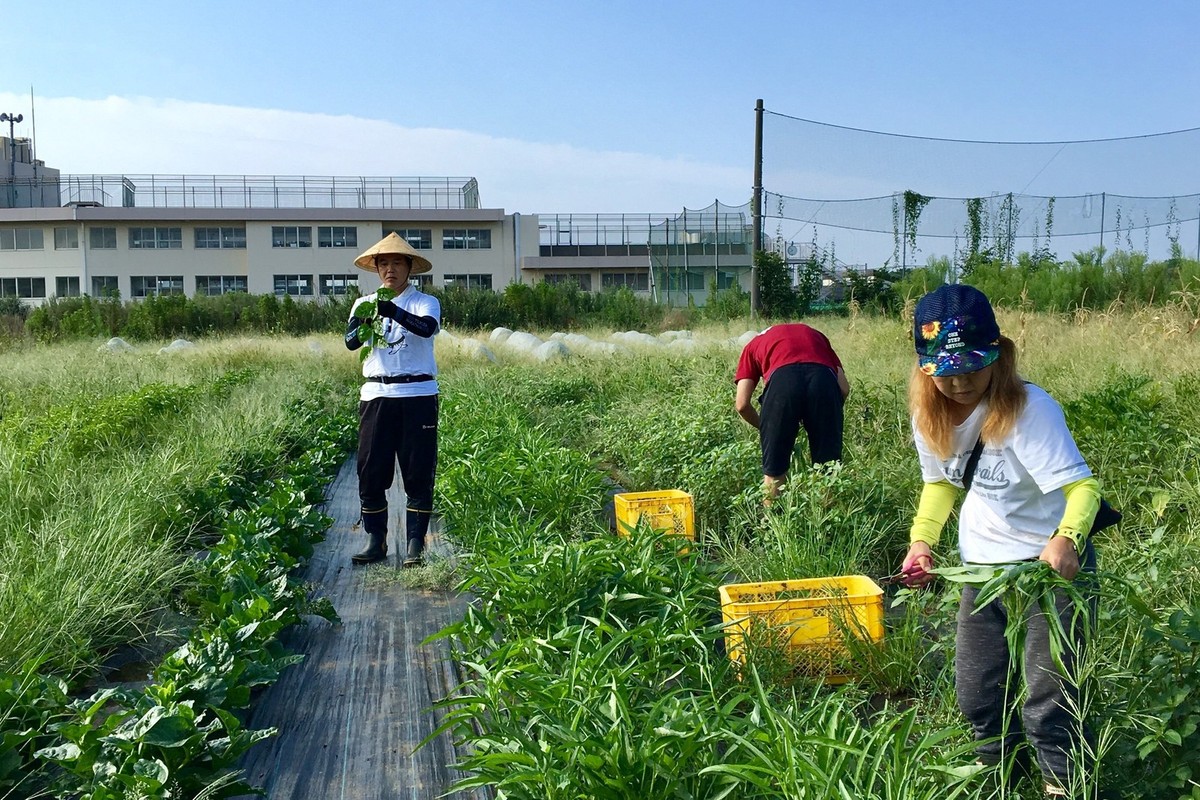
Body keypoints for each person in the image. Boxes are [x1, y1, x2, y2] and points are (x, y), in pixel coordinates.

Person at [897, 284, 1101, 798]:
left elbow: (1084, 488)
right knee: (978, 694)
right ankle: (998, 783)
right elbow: (941, 482)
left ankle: (1064, 785)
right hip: (983, 571)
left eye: (973, 365)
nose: (961, 381)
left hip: (1048, 571)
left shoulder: (1031, 410)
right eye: (945, 370)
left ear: (998, 355)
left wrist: (1068, 538)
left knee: (1050, 697)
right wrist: (922, 542)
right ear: (926, 368)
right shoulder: (930, 414)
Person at [344, 232, 441, 568]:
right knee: (371, 470)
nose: (390, 269)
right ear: (375, 268)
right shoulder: (363, 304)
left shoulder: (424, 302)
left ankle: (416, 544)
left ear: (409, 268)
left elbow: (426, 329)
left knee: (418, 471)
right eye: (383, 263)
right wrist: (369, 317)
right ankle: (376, 540)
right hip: (377, 395)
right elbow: (351, 342)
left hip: (417, 395)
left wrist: (392, 311)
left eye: (397, 263)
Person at [734, 322, 850, 500]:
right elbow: (843, 388)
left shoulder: (753, 345)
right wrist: (824, 418)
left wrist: (770, 428)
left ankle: (772, 523)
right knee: (828, 467)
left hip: (782, 385)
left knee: (775, 470)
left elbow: (741, 404)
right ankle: (828, 521)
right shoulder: (817, 335)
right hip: (823, 381)